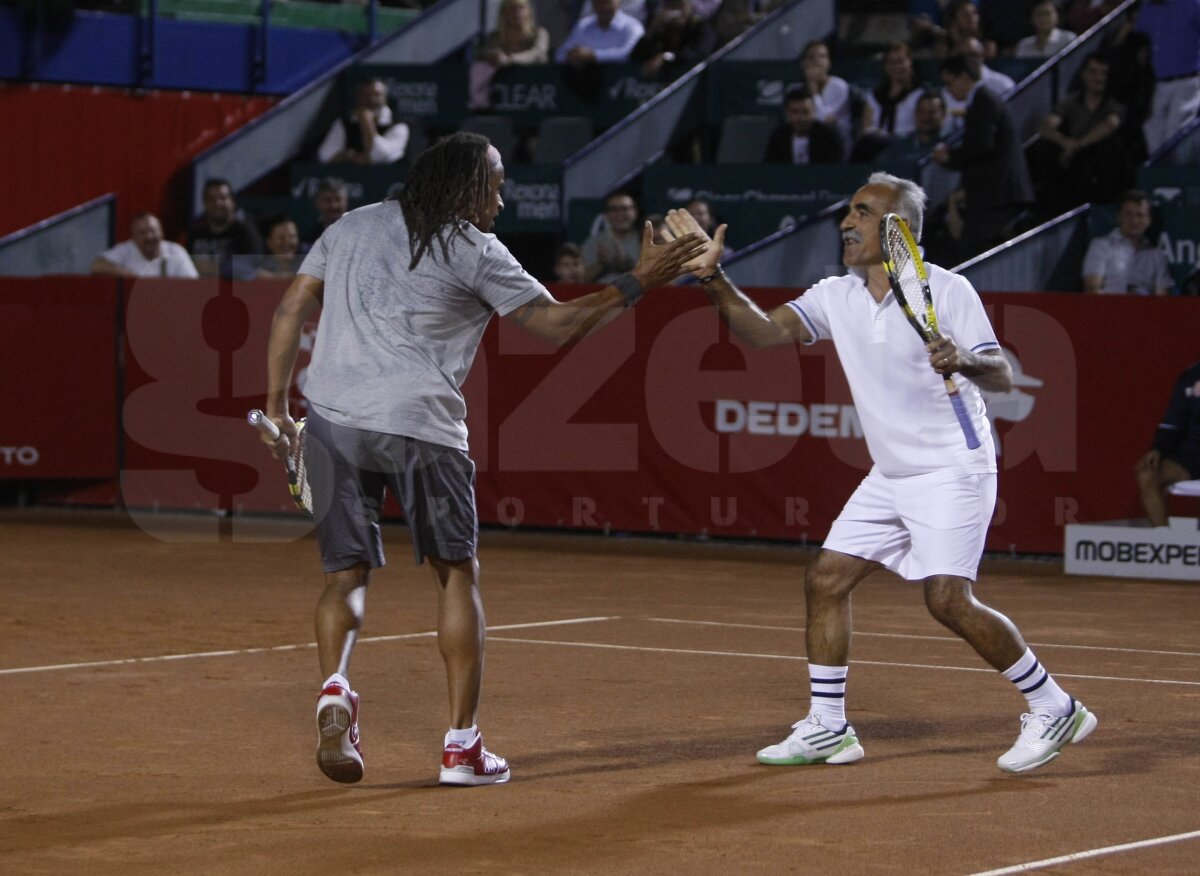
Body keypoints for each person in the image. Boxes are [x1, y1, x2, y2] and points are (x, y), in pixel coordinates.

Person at [260, 131, 706, 786]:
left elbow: (291, 305)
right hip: (421, 425)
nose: (502, 198)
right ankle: (461, 747)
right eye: (496, 185)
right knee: (456, 575)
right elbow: (556, 327)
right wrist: (642, 281)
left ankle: (335, 691)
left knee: (344, 576)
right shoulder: (475, 250)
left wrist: (277, 411)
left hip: (331, 421)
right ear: (468, 187)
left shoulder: (351, 226)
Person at [662, 171, 1098, 774]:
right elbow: (761, 335)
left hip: (953, 467)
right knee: (827, 580)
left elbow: (1001, 375)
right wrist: (712, 277)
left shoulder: (948, 291)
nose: (847, 222)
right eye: (849, 213)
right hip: (890, 474)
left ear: (900, 230)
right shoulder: (832, 295)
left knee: (947, 599)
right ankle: (829, 728)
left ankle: (1055, 706)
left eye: (863, 213)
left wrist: (963, 358)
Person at [931, 54, 1034, 258]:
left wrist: (949, 157)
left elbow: (981, 145)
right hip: (995, 195)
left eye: (950, 82)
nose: (949, 90)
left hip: (998, 196)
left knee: (973, 251)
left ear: (963, 77)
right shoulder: (983, 100)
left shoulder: (983, 100)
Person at [1030, 52, 1132, 215]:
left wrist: (1077, 145)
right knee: (1045, 147)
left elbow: (1110, 124)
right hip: (1073, 162)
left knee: (1108, 146)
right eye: (1093, 72)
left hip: (1100, 164)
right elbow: (1046, 125)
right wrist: (1065, 143)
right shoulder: (1072, 101)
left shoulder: (1114, 103)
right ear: (1083, 75)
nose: (1098, 78)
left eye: (1104, 73)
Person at [1137, 359, 1200, 526]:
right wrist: (1157, 448)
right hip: (1193, 454)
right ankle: (1164, 541)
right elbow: (1173, 420)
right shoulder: (1191, 376)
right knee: (1148, 474)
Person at [1135, 0, 1200, 155]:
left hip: (1187, 81)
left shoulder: (1191, 4)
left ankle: (1175, 177)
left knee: (1175, 136)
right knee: (1152, 131)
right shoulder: (1147, 8)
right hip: (1158, 83)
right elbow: (1140, 36)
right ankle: (1159, 176)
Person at [1081, 190, 1174, 296]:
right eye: (1128, 214)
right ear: (1119, 217)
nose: (1134, 220)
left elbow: (1163, 300)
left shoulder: (1158, 256)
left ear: (1149, 220)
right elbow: (1092, 290)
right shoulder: (1100, 246)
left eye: (1140, 215)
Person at [469, 0, 551, 110]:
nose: (517, 13)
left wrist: (510, 59)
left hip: (538, 99)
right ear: (504, 14)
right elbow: (481, 54)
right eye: (512, 9)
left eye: (521, 8)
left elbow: (537, 54)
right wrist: (492, 56)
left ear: (529, 12)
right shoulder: (495, 37)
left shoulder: (539, 33)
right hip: (500, 105)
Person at [852, 41, 927, 161]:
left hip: (905, 145)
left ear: (910, 62)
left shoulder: (920, 95)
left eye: (901, 62)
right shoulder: (874, 96)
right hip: (875, 145)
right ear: (885, 66)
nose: (897, 67)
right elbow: (865, 129)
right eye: (891, 63)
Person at [316, 76, 410, 166]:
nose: (371, 99)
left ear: (385, 98)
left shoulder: (399, 125)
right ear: (358, 97)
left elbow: (379, 156)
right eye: (366, 95)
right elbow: (325, 155)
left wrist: (366, 120)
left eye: (377, 95)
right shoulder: (345, 122)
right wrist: (351, 157)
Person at [188, 178, 263, 279]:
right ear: (204, 204)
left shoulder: (245, 232)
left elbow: (250, 268)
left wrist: (211, 268)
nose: (217, 203)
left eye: (223, 198)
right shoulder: (195, 234)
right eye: (211, 199)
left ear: (232, 202)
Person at [90, 211, 198, 278]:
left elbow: (193, 286)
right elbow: (97, 265)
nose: (149, 237)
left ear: (161, 232)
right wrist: (131, 276)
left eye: (152, 231)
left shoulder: (177, 252)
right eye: (142, 233)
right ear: (134, 238)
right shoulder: (127, 249)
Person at [629, 0, 716, 82]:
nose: (676, 11)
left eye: (680, 6)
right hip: (655, 84)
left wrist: (666, 57)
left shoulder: (700, 27)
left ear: (690, 7)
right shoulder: (661, 28)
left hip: (690, 82)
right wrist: (653, 28)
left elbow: (696, 55)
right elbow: (636, 56)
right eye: (671, 6)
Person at [764, 85, 845, 165]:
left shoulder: (829, 138)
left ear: (814, 111)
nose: (800, 118)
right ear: (787, 113)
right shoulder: (778, 138)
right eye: (795, 112)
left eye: (805, 112)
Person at [799, 39, 854, 153]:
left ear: (829, 62)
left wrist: (813, 89)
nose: (817, 61)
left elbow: (824, 120)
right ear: (803, 63)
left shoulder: (839, 86)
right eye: (811, 57)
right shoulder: (796, 89)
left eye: (822, 56)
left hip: (837, 147)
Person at [556, 0, 645, 66]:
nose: (603, 7)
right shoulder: (583, 26)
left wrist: (593, 56)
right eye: (599, 2)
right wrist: (572, 56)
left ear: (618, 2)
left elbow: (630, 54)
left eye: (608, 2)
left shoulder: (633, 27)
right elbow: (560, 55)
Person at [581, 191, 642, 283]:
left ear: (635, 212)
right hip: (602, 293)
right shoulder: (594, 242)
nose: (619, 214)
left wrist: (626, 263)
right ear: (606, 215)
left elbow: (656, 277)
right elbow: (581, 280)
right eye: (613, 210)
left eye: (624, 209)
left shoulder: (646, 240)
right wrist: (601, 264)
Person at [303, 177, 350, 248]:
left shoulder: (359, 235)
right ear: (318, 203)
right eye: (328, 200)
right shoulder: (307, 240)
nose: (333, 206)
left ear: (346, 201)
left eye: (338, 199)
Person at [254, 215, 304, 280]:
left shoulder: (308, 267)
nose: (287, 242)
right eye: (281, 237)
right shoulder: (257, 271)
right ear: (269, 242)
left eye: (292, 236)